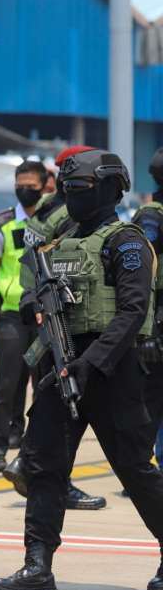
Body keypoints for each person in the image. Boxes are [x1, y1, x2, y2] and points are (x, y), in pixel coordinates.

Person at [0, 149, 163, 590]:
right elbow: (31, 287)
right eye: (67, 188)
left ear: (108, 189)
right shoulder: (61, 237)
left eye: (80, 189)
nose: (71, 196)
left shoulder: (125, 241)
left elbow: (132, 311)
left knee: (134, 468)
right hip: (59, 362)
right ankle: (37, 565)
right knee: (44, 465)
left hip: (110, 368)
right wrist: (32, 305)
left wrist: (92, 363)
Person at [2, 147, 106, 510]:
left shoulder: (43, 211)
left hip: (41, 310)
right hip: (62, 316)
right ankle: (46, 474)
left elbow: (28, 261)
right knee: (65, 401)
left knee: (49, 398)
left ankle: (30, 464)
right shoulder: (67, 214)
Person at [0, 160, 47, 472]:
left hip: (46, 317)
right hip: (11, 315)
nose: (25, 189)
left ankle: (32, 445)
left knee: (42, 384)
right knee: (6, 383)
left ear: (45, 186)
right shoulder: (1, 224)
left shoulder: (55, 222)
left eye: (31, 184)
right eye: (20, 183)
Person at [132, 148, 163, 479]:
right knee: (150, 400)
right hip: (156, 321)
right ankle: (140, 469)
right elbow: (142, 271)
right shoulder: (152, 216)